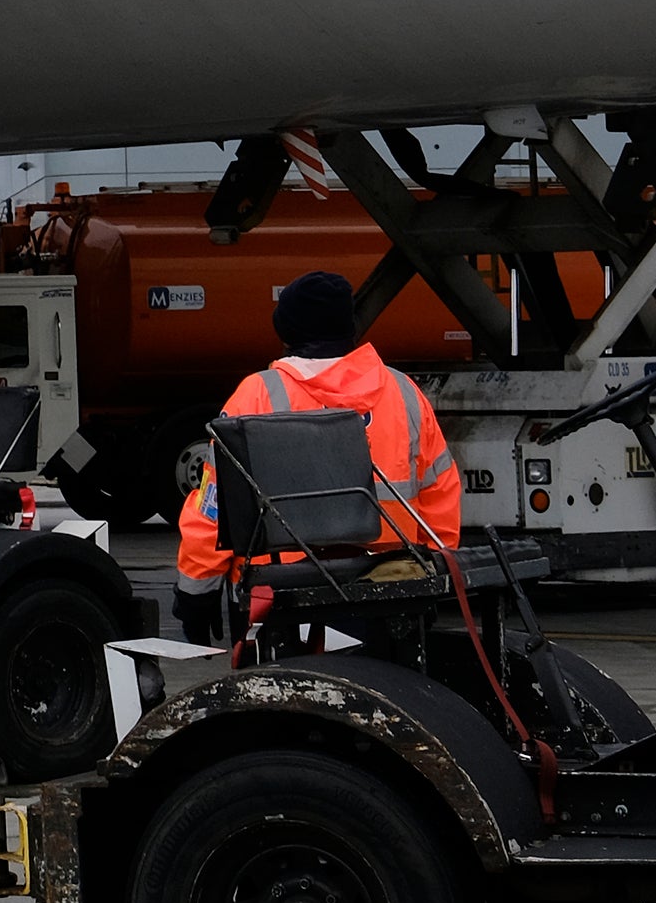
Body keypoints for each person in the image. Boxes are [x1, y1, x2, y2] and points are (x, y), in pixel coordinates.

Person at [170, 269, 463, 642]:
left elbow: (213, 513)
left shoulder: (256, 397)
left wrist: (195, 597)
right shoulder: (403, 393)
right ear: (350, 328)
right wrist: (434, 577)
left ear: (286, 331)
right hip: (390, 593)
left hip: (282, 599)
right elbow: (441, 494)